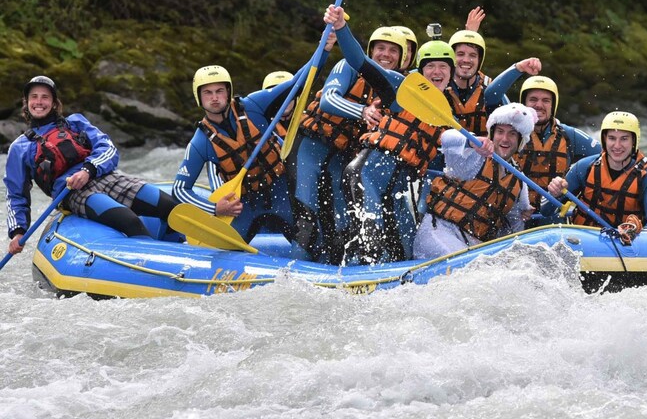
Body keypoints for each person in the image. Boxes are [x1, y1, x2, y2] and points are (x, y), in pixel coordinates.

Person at [323, 4, 455, 263]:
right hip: (367, 175)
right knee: (372, 240)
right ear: (421, 71)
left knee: (402, 249)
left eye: (443, 67)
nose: (437, 73)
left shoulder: (449, 118)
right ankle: (351, 286)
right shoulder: (401, 88)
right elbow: (359, 61)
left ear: (451, 75)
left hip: (400, 188)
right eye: (430, 67)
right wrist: (341, 28)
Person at [5, 76, 178, 255]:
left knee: (171, 207)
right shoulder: (20, 147)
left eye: (45, 97)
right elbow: (16, 194)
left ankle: (182, 256)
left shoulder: (75, 123)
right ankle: (155, 271)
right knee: (130, 221)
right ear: (26, 103)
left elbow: (108, 148)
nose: (39, 102)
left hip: (105, 176)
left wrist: (89, 170)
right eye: (34, 97)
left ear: (54, 103)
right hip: (74, 192)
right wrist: (17, 231)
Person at [289, 26, 405, 262]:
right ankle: (289, 280)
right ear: (370, 52)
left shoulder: (396, 88)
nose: (386, 54)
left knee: (341, 229)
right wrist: (362, 111)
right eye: (380, 48)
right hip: (309, 150)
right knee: (307, 224)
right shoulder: (348, 67)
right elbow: (329, 101)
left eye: (393, 50)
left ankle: (338, 279)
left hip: (340, 160)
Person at [172, 63, 306, 241]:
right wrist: (215, 208)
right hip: (243, 206)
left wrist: (325, 48)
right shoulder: (200, 142)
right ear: (199, 97)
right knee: (224, 251)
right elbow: (180, 189)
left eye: (219, 91)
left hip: (281, 192)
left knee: (312, 246)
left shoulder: (253, 106)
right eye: (207, 92)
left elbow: (297, 82)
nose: (214, 98)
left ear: (228, 92)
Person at [413, 103, 537, 259]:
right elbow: (447, 138)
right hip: (438, 231)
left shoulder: (519, 182)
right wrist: (471, 141)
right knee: (466, 264)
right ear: (492, 133)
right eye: (500, 132)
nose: (505, 139)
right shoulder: (473, 156)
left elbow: (514, 229)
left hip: (474, 245)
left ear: (520, 140)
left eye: (512, 134)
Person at [543, 111, 647, 243]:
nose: (617, 145)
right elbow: (546, 211)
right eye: (612, 138)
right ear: (604, 139)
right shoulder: (584, 167)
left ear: (634, 141)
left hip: (623, 245)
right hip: (583, 241)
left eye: (624, 138)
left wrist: (640, 233)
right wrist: (555, 193)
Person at [517, 76, 601, 218]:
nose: (539, 105)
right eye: (533, 99)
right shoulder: (511, 132)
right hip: (517, 216)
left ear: (553, 105)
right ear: (523, 103)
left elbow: (608, 156)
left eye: (546, 100)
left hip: (554, 215)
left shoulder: (569, 135)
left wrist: (576, 176)